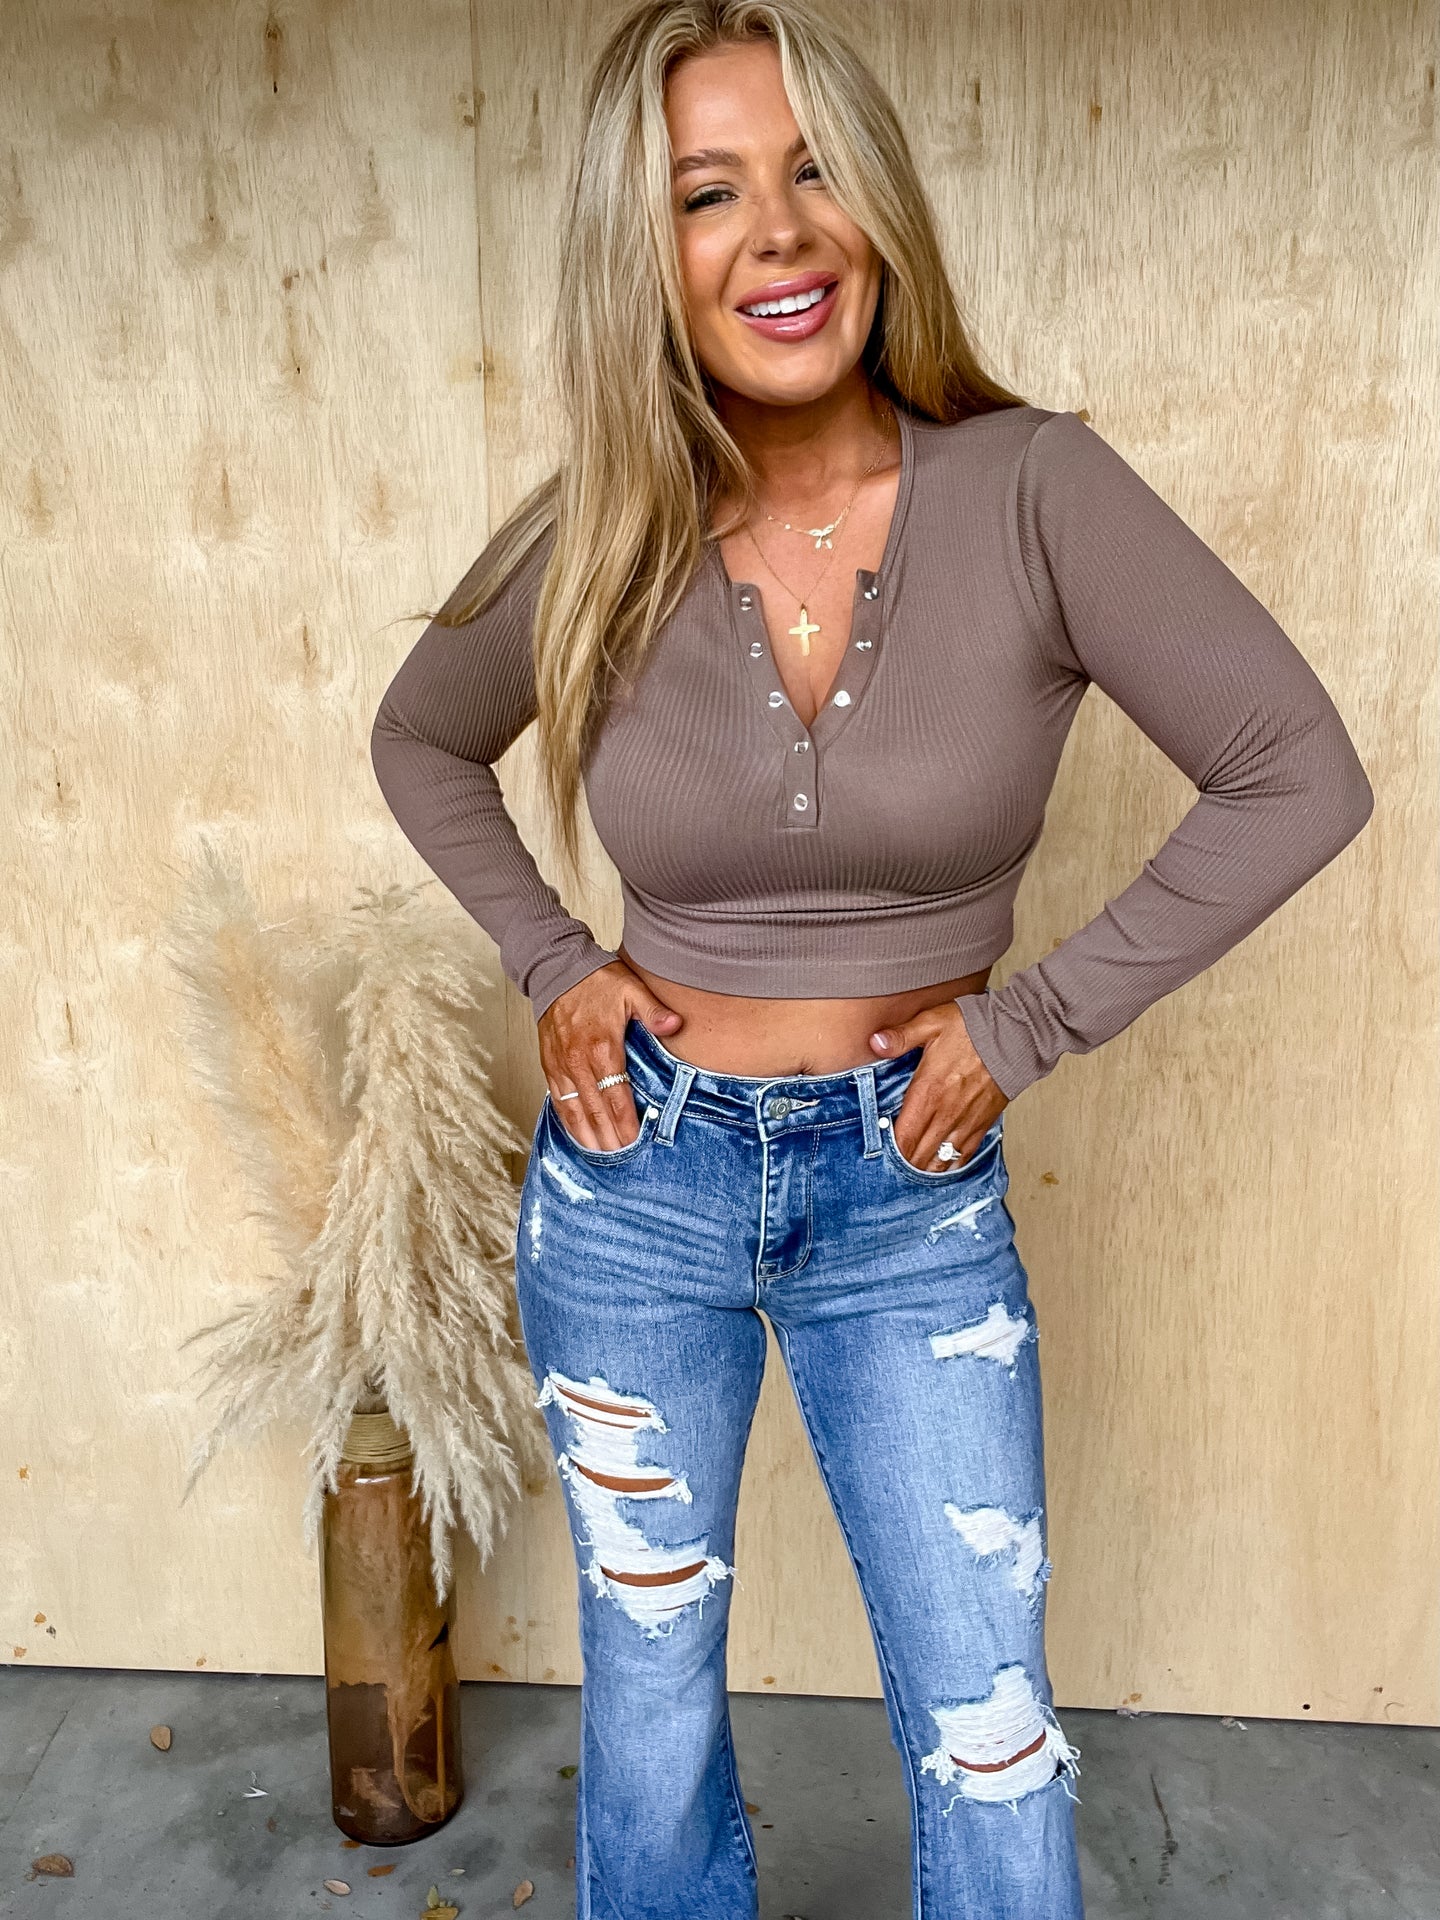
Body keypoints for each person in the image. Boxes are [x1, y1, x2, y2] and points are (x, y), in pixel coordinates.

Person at [369, 3, 1374, 1913]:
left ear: (879, 205)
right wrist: (552, 963)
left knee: (987, 1717)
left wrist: (1033, 1021)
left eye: (814, 167)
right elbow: (421, 733)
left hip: (908, 1191)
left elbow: (1296, 773)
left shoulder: (1038, 490)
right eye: (707, 192)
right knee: (650, 1708)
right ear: (641, 251)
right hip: (633, 1183)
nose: (779, 230)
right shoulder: (607, 524)